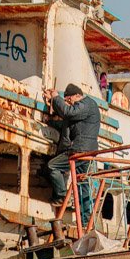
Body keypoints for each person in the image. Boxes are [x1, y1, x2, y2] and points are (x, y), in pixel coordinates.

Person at [42, 83, 101, 225]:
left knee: (52, 166)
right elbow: (66, 123)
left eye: (69, 100)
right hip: (87, 151)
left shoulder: (86, 104)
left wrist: (56, 98)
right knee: (82, 184)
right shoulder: (83, 108)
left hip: (80, 150)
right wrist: (49, 119)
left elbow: (68, 112)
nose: (69, 103)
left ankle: (62, 196)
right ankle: (85, 222)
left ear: (77, 95)